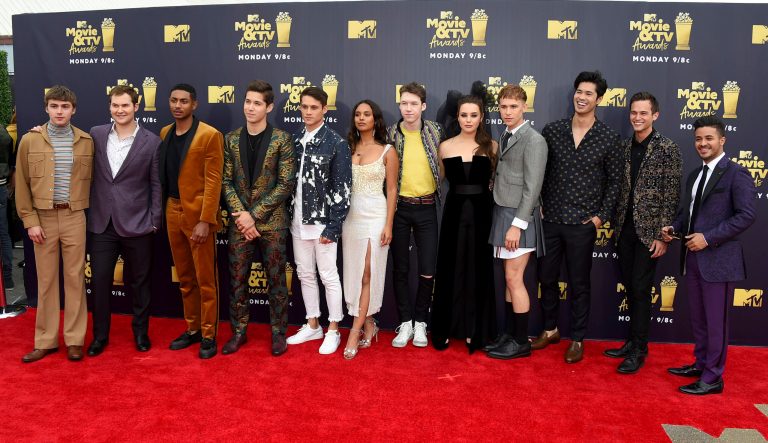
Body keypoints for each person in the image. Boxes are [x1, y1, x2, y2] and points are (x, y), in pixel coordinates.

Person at [662, 116, 755, 395]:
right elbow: (688, 214)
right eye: (698, 139)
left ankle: (713, 377)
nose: (702, 144)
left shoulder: (736, 173)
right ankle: (701, 363)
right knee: (699, 319)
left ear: (722, 140)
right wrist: (673, 228)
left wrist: (709, 238)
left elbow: (747, 215)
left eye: (708, 138)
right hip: (692, 258)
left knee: (716, 323)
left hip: (719, 261)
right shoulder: (695, 174)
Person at [535, 71, 622, 363]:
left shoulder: (608, 137)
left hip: (583, 224)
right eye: (579, 92)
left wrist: (599, 218)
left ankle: (578, 338)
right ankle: (550, 330)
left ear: (599, 99)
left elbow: (615, 183)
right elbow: (541, 172)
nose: (581, 97)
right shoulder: (552, 130)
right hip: (551, 220)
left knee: (579, 283)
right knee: (546, 278)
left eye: (588, 93)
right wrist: (541, 203)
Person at [603, 92, 682, 373]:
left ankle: (639, 349)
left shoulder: (667, 148)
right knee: (631, 285)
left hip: (650, 233)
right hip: (623, 228)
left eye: (643, 113)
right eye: (634, 113)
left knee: (640, 287)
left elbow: (671, 195)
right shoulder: (623, 147)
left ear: (655, 115)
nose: (637, 118)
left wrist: (663, 236)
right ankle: (631, 343)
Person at [16, 85, 94, 362]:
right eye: (54, 106)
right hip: (43, 219)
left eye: (65, 107)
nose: (59, 111)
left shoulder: (86, 141)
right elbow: (22, 185)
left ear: (73, 110)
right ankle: (46, 340)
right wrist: (30, 221)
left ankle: (74, 340)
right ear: (46, 108)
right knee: (47, 281)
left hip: (75, 216)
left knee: (75, 280)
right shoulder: (29, 140)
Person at [222, 80, 296, 356]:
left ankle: (278, 333)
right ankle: (239, 331)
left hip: (272, 223)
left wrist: (253, 216)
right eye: (247, 101)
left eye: (257, 103)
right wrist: (243, 218)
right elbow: (225, 181)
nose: (250, 107)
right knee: (237, 280)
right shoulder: (230, 139)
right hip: (240, 222)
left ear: (269, 107)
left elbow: (285, 184)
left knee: (276, 281)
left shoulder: (282, 140)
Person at [86, 84, 162, 356]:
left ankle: (141, 333)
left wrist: (154, 221)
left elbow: (156, 184)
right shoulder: (94, 135)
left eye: (125, 105)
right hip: (101, 223)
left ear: (136, 106)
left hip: (138, 223)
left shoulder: (152, 142)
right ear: (110, 107)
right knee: (100, 282)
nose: (120, 110)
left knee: (140, 283)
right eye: (115, 105)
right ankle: (99, 336)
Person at [483, 85, 548, 360]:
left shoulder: (533, 140)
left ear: (524, 107)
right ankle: (510, 335)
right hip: (503, 213)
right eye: (503, 106)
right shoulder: (507, 134)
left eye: (513, 106)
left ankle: (521, 341)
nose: (507, 112)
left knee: (514, 278)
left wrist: (517, 224)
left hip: (518, 217)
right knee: (510, 280)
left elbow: (533, 188)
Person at [285, 86, 351, 355]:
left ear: (325, 109)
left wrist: (333, 227)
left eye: (314, 107)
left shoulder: (336, 143)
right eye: (304, 106)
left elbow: (343, 189)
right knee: (304, 274)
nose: (308, 112)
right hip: (297, 221)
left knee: (328, 275)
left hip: (323, 223)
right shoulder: (294, 140)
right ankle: (313, 324)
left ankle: (334, 328)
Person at [160, 84, 224, 359]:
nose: (178, 105)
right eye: (174, 100)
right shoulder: (165, 132)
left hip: (197, 216)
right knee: (185, 278)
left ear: (194, 105)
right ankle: (193, 328)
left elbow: (214, 182)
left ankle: (209, 334)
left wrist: (205, 220)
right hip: (171, 210)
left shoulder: (209, 135)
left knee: (205, 279)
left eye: (183, 101)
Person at [430, 95, 497, 353]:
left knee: (477, 268)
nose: (468, 120)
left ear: (481, 117)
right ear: (457, 117)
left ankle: (474, 329)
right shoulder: (445, 147)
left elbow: (496, 182)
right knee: (451, 266)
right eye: (463, 115)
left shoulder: (492, 146)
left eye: (473, 115)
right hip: (454, 211)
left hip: (482, 212)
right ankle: (445, 328)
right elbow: (440, 180)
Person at [386, 82, 444, 348]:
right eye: (403, 103)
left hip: (427, 207)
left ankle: (421, 321)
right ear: (399, 105)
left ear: (423, 106)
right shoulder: (390, 135)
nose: (408, 108)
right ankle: (406, 322)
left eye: (413, 104)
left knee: (428, 269)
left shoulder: (436, 131)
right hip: (399, 209)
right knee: (400, 268)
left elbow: (443, 166)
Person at [341, 100, 398, 359]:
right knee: (354, 273)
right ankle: (369, 323)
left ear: (375, 119)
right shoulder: (347, 148)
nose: (361, 118)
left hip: (375, 215)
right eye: (357, 114)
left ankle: (354, 331)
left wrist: (388, 224)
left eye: (367, 114)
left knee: (367, 272)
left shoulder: (388, 150)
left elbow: (392, 189)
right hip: (350, 218)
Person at [0, 124, 13, 290]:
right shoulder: (4, 132)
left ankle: (7, 277)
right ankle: (7, 278)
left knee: (3, 233)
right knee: (3, 232)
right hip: (2, 185)